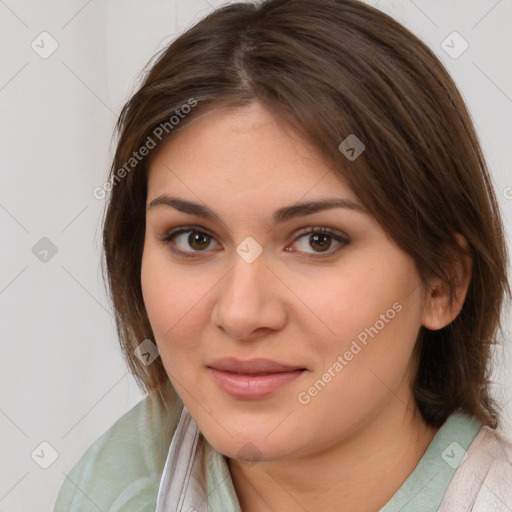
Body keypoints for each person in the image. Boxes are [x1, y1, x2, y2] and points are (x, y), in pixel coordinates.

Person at [53, 0, 512, 510]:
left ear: (442, 283)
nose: (241, 313)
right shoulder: (105, 489)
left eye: (318, 240)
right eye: (194, 239)